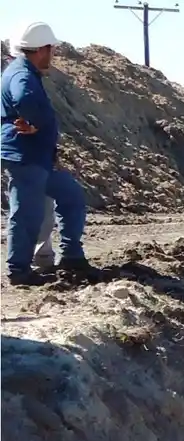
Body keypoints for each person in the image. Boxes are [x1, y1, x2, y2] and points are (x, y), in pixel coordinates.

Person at [4, 21, 91, 286]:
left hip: (38, 157)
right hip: (25, 156)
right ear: (41, 49)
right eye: (51, 49)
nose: (52, 55)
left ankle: (72, 255)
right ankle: (18, 270)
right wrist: (35, 124)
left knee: (71, 195)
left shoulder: (24, 71)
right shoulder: (22, 75)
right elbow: (25, 100)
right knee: (27, 213)